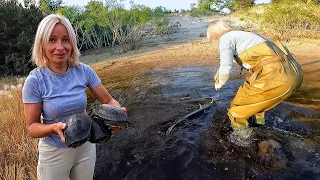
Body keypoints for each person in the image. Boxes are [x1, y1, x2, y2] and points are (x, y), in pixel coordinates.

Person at [22, 14, 126, 180]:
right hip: (54, 153)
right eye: (52, 40)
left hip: (86, 147)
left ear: (72, 43)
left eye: (65, 39)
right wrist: (53, 128)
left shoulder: (83, 71)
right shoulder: (35, 81)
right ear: (41, 44)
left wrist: (116, 114)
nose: (60, 47)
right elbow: (32, 127)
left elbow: (108, 100)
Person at [207, 20, 303, 146]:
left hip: (276, 76)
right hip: (294, 73)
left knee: (236, 112)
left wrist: (219, 84)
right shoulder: (248, 35)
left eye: (213, 39)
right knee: (258, 107)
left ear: (215, 34)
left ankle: (243, 143)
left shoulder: (226, 38)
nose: (215, 42)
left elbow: (225, 66)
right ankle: (261, 133)